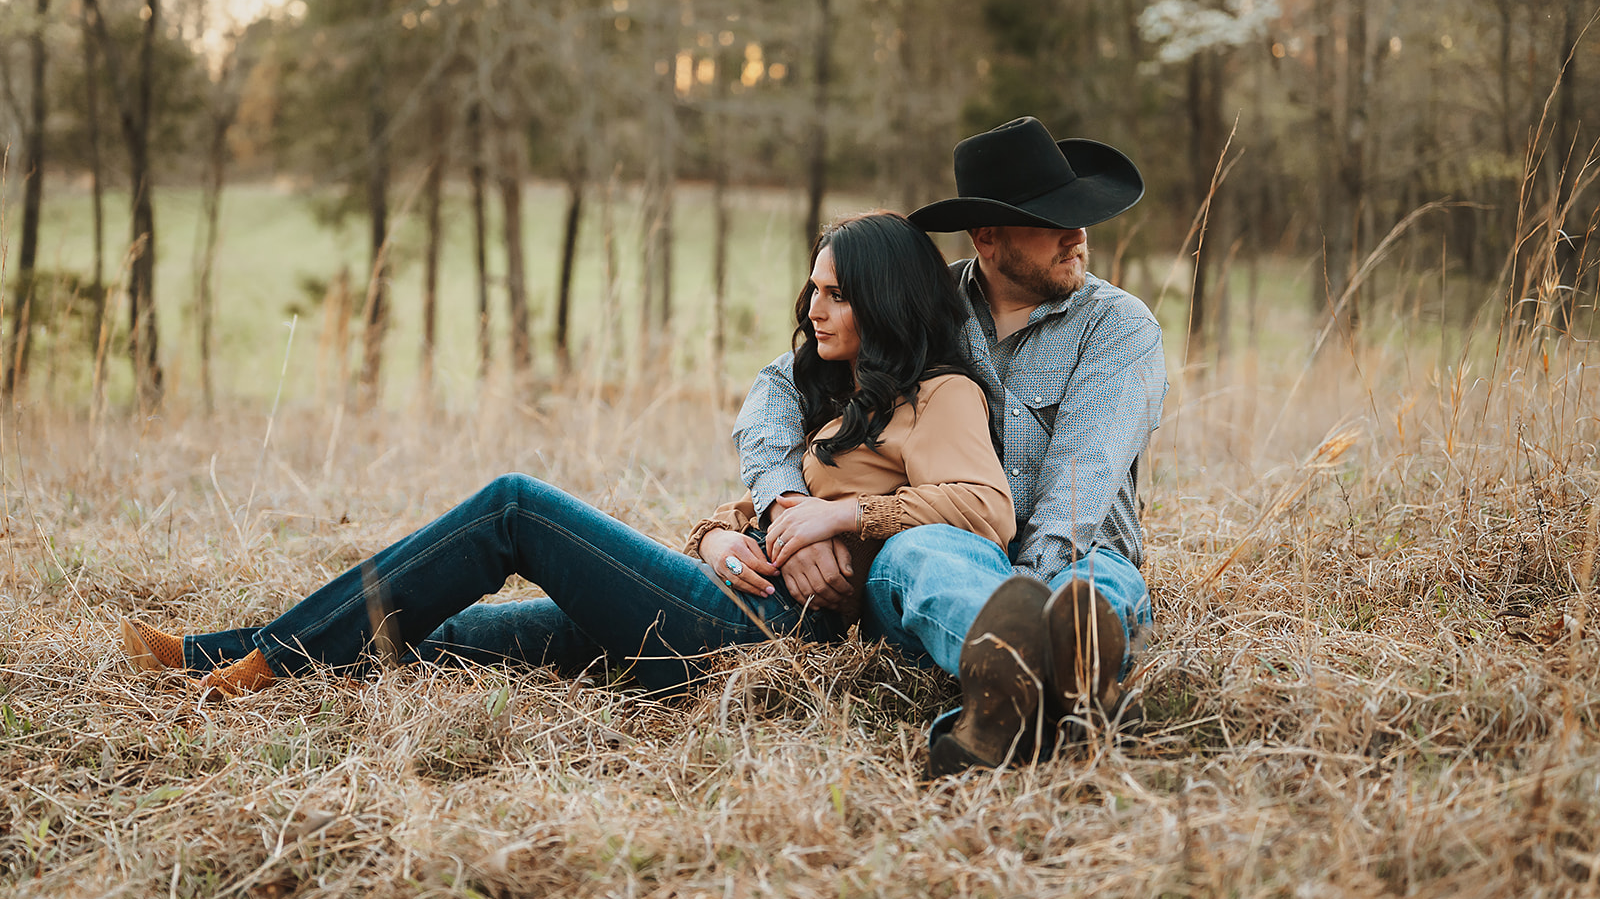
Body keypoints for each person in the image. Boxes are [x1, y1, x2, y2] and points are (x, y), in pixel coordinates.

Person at [119, 212, 1015, 699]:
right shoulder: (843, 403)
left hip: (763, 634)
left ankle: (256, 668)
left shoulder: (941, 396)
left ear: (885, 299)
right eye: (812, 290)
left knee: (514, 506)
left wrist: (840, 514)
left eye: (836, 295)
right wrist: (716, 536)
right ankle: (209, 656)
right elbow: (750, 512)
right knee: (450, 639)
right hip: (718, 598)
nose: (814, 310)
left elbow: (984, 508)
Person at [734, 117, 1167, 774]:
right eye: (1052, 220)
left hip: (1079, 555)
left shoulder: (1118, 328)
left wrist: (1022, 598)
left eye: (1079, 217)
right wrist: (786, 503)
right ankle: (1069, 705)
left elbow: (1079, 491)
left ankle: (1008, 708)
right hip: (951, 549)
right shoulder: (931, 303)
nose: (1078, 236)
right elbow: (779, 386)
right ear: (987, 237)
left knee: (1092, 593)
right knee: (923, 553)